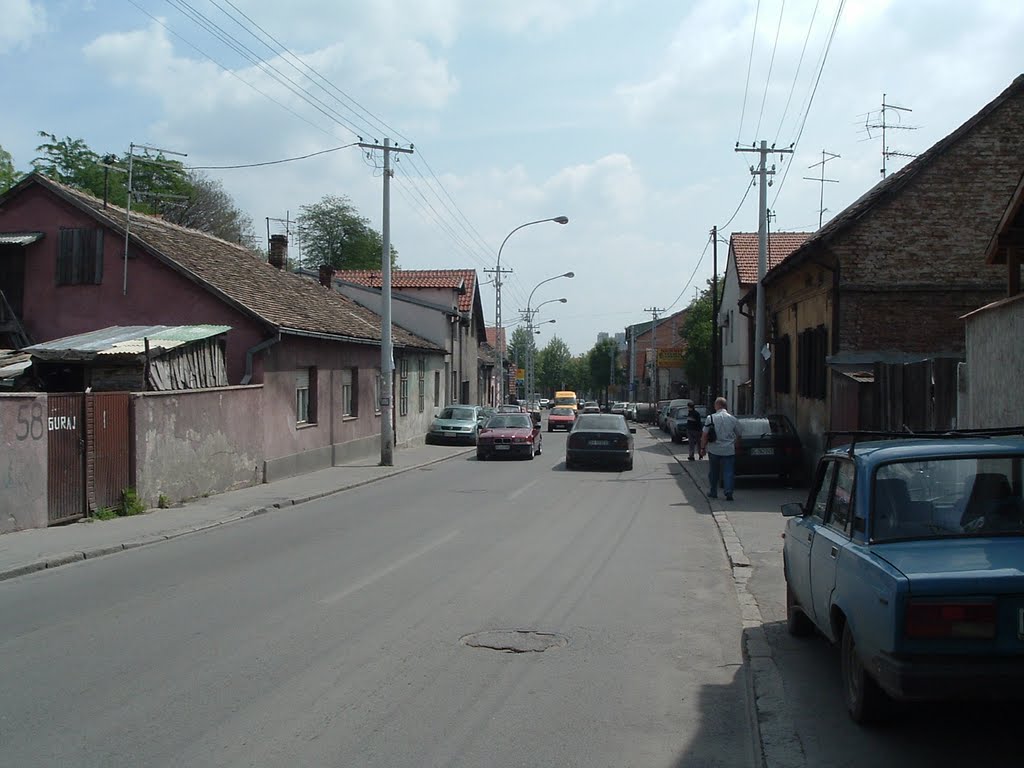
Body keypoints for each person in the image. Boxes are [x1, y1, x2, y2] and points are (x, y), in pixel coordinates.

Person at [699, 397, 740, 500]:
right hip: (729, 450)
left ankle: (713, 491)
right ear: (725, 406)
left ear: (716, 405)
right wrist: (735, 444)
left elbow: (704, 434)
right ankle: (729, 492)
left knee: (713, 472)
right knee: (728, 472)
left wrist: (702, 448)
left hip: (714, 449)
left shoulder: (710, 418)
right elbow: (739, 434)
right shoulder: (732, 419)